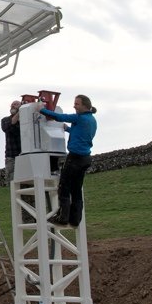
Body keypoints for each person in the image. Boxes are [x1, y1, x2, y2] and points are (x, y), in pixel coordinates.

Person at [39, 94, 98, 227]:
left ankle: (63, 218)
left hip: (75, 158)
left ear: (84, 106)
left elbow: (60, 117)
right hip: (85, 158)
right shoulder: (91, 120)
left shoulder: (79, 117)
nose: (74, 106)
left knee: (64, 187)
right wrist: (68, 129)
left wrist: (41, 109)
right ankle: (75, 219)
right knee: (76, 190)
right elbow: (82, 133)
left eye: (77, 104)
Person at [1, 100, 22, 185]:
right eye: (12, 105)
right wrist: (20, 112)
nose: (13, 106)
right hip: (11, 156)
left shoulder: (26, 120)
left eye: (16, 104)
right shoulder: (5, 120)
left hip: (24, 154)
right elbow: (9, 127)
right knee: (11, 181)